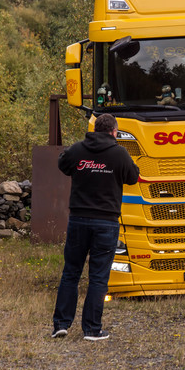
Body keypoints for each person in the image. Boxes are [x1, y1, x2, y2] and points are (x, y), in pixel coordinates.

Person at [52, 114, 139, 341]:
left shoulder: (78, 150)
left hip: (79, 219)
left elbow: (63, 163)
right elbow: (133, 177)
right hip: (106, 222)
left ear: (96, 129)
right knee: (98, 277)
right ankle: (91, 329)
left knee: (71, 272)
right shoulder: (119, 153)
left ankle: (60, 324)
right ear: (113, 132)